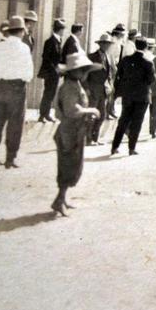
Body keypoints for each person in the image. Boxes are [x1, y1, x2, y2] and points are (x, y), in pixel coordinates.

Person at [51, 52, 102, 216]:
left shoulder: (75, 85)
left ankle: (62, 198)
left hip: (75, 130)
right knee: (68, 166)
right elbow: (72, 110)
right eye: (82, 70)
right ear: (73, 72)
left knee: (72, 166)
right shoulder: (69, 87)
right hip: (69, 131)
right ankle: (59, 200)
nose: (85, 73)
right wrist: (90, 110)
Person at [0, 16, 34, 169]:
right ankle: (10, 158)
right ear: (21, 32)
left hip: (0, 87)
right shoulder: (24, 48)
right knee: (15, 125)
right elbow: (29, 73)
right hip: (17, 89)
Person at [111, 37, 155, 156]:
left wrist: (120, 90)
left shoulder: (126, 60)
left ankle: (114, 146)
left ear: (135, 46)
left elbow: (118, 75)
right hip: (142, 96)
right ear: (145, 47)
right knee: (137, 122)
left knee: (123, 120)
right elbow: (152, 79)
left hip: (128, 95)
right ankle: (131, 148)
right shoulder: (148, 62)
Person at [84, 34, 113, 146]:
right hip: (93, 89)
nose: (106, 46)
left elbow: (109, 73)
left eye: (108, 44)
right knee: (91, 115)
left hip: (103, 91)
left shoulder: (108, 57)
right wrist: (86, 88)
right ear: (100, 44)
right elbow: (85, 73)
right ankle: (88, 139)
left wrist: (109, 85)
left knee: (102, 115)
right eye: (104, 43)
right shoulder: (91, 57)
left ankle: (95, 138)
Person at [37, 19, 65, 123]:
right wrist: (55, 69)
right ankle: (42, 115)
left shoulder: (58, 41)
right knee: (48, 93)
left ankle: (46, 114)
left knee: (51, 93)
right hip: (50, 73)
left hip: (55, 73)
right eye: (63, 29)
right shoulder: (50, 41)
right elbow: (46, 58)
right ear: (60, 29)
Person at [106, 24, 126, 119]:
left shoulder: (117, 42)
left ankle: (111, 109)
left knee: (113, 91)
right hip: (112, 68)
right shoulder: (114, 43)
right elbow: (111, 58)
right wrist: (115, 69)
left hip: (113, 67)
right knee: (111, 91)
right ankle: (109, 110)